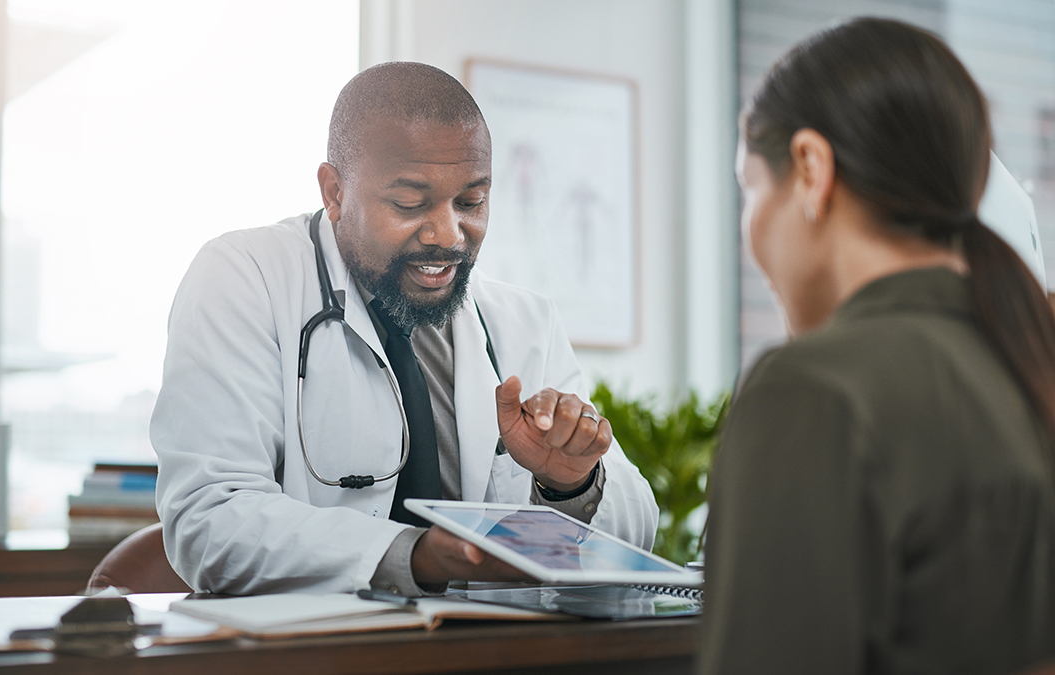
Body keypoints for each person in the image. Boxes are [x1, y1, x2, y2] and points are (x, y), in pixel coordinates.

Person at [151, 62, 657, 597]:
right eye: (410, 203)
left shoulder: (522, 321)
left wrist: (570, 483)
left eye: (472, 202)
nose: (448, 234)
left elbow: (637, 531)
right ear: (335, 192)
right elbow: (209, 517)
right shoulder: (244, 277)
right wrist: (412, 556)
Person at [700, 18, 1055, 675]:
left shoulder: (814, 389)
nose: (752, 236)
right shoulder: (1025, 358)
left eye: (750, 189)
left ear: (810, 168)